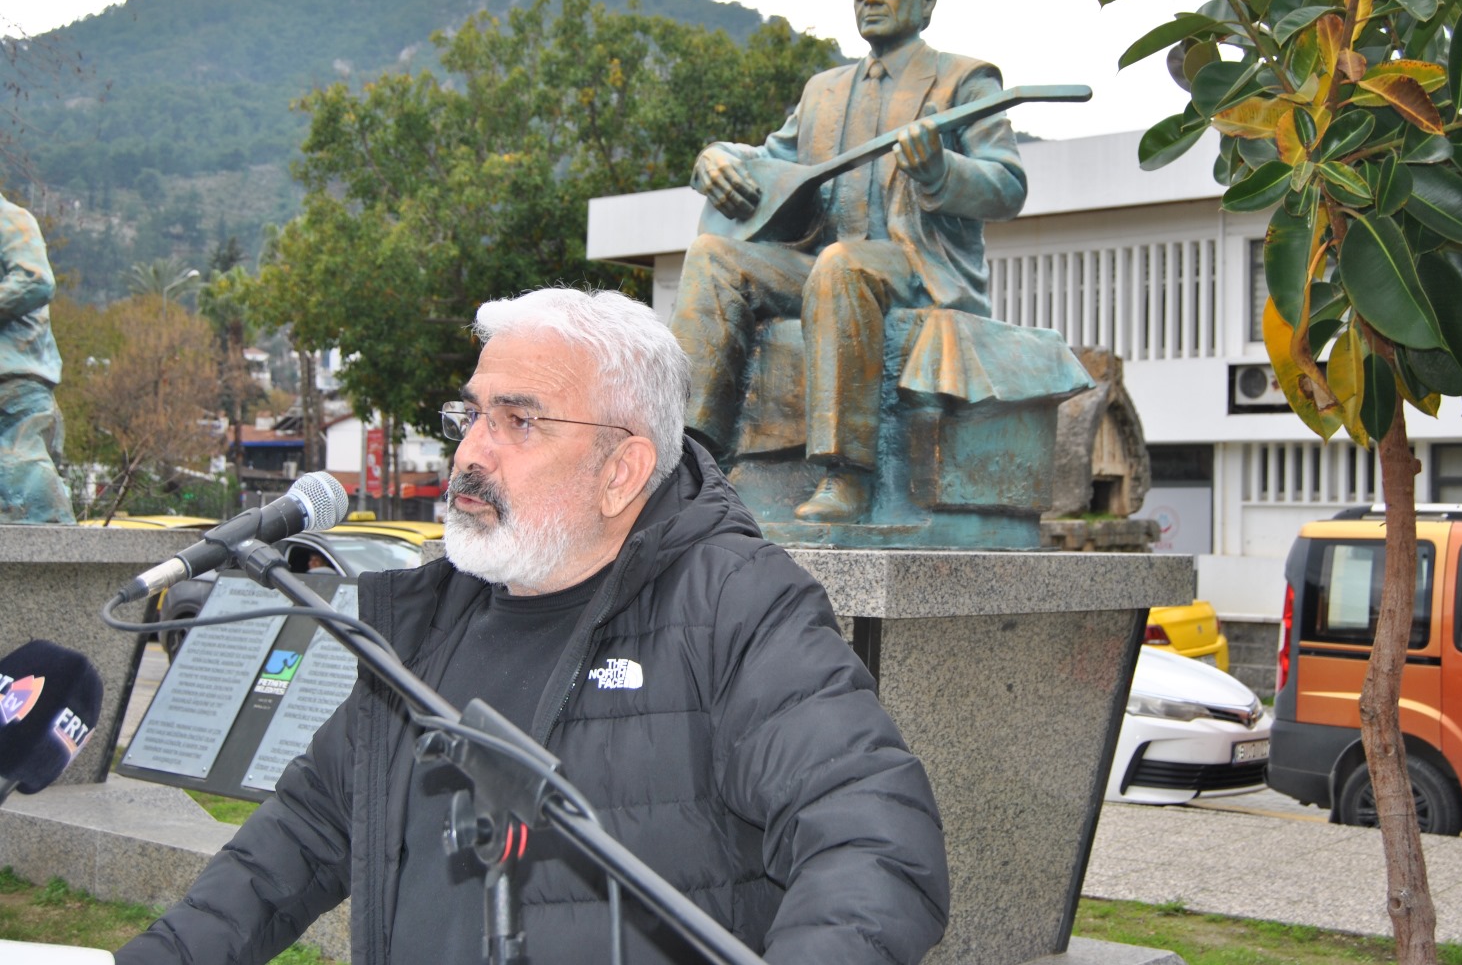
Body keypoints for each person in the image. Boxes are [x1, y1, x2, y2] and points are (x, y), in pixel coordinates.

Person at [117, 287, 949, 965]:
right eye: (471, 415)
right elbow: (293, 844)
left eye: (518, 421)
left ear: (622, 469)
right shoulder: (426, 622)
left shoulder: (737, 603)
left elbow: (877, 842)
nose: (472, 451)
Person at [670, 0, 1026, 524]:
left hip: (915, 265)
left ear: (927, 0)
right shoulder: (824, 91)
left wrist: (940, 169)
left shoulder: (964, 80)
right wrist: (716, 155)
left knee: (844, 263)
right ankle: (690, 453)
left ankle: (846, 473)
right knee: (713, 254)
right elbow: (771, 156)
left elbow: (1007, 185)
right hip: (823, 260)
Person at [0, 191, 75, 524]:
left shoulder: (9, 219)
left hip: (15, 376)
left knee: (22, 468)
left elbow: (35, 280)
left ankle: (60, 559)